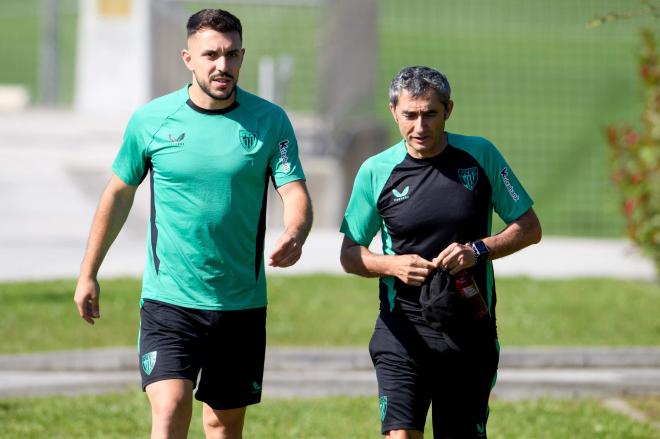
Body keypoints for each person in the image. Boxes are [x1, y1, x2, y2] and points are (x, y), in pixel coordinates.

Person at [73, 8, 312, 439]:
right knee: (170, 408)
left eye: (233, 55)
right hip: (170, 300)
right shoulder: (152, 120)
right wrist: (88, 272)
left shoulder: (269, 120)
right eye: (212, 55)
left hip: (240, 302)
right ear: (188, 58)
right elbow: (118, 194)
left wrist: (295, 232)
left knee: (222, 425)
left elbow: (293, 190)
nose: (223, 66)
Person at [340, 66, 542, 439]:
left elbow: (529, 228)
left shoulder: (479, 155)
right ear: (393, 112)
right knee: (401, 435)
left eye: (430, 114)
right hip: (401, 329)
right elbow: (350, 253)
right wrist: (391, 265)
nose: (420, 126)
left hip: (469, 331)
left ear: (448, 110)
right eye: (410, 115)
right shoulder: (375, 170)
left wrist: (478, 250)